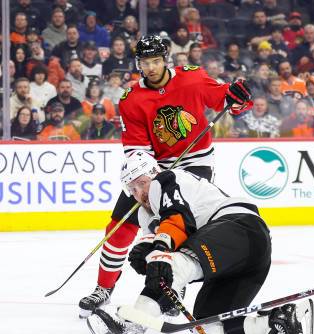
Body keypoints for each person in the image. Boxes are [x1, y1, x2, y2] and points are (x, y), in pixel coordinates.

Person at [77, 35, 253, 318]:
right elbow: (136, 149)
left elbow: (227, 102)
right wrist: (154, 176)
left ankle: (175, 285)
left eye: (156, 61)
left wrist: (239, 99)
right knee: (120, 225)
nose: (152, 67)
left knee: (176, 224)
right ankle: (103, 289)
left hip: (195, 164)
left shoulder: (192, 79)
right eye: (146, 62)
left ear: (166, 60)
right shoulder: (131, 100)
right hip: (152, 167)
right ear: (139, 64)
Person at [86, 152, 314, 334]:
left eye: (141, 183)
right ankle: (279, 320)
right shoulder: (145, 214)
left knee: (168, 264)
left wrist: (159, 253)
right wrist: (145, 255)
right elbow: (160, 253)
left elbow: (176, 221)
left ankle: (129, 333)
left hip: (240, 228)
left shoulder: (164, 180)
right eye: (132, 188)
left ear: (153, 173)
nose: (139, 192)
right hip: (244, 259)